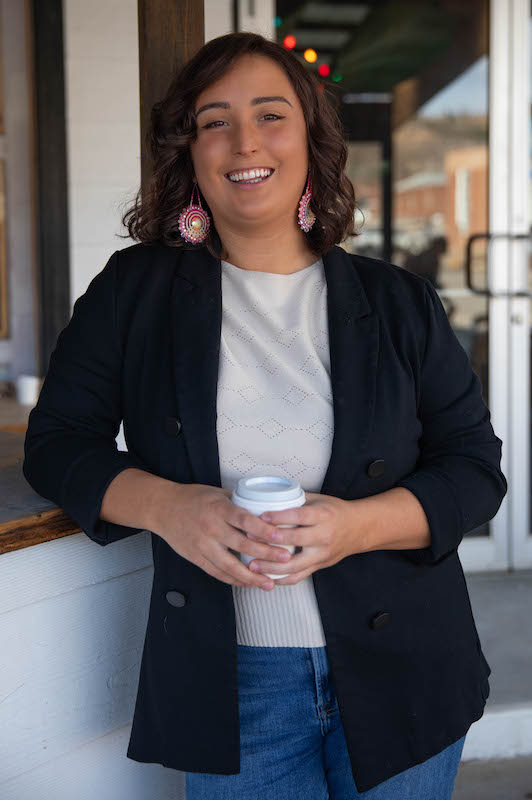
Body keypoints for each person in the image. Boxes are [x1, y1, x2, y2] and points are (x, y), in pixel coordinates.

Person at [23, 31, 507, 799]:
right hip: (234, 680)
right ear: (193, 153)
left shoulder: (397, 301)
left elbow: (476, 471)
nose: (244, 141)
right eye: (215, 120)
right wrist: (171, 507)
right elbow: (56, 445)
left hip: (407, 667)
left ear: (312, 140)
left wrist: (355, 527)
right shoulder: (135, 292)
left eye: (270, 114)